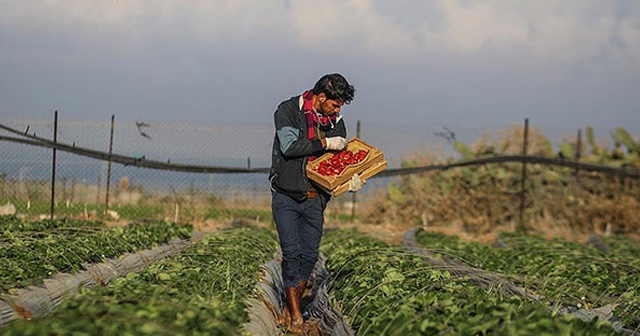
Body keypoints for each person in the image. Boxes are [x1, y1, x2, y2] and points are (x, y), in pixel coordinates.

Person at [269, 73, 360, 332]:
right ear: (321, 97)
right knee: (291, 253)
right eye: (334, 104)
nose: (337, 109)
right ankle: (296, 317)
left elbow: (337, 164)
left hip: (315, 197)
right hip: (286, 193)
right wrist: (324, 142)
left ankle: (291, 306)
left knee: (308, 255)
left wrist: (351, 180)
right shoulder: (288, 111)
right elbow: (289, 146)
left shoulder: (336, 122)